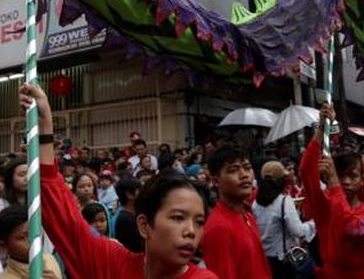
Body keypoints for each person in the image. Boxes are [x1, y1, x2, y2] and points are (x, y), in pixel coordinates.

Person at [19, 82, 218, 279]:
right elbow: (58, 209)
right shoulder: (110, 263)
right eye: (178, 218)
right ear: (144, 225)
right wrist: (45, 123)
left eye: (199, 222)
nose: (191, 231)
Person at [300, 104, 364, 279]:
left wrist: (333, 182)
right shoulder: (325, 204)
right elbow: (307, 171)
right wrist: (322, 128)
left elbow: (353, 229)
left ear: (362, 180)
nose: (345, 181)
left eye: (352, 176)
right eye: (340, 175)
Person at [201, 145, 272, 279]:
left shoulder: (247, 215)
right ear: (216, 181)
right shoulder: (219, 228)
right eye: (233, 170)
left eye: (247, 168)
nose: (244, 175)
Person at [252, 161, 315, 278]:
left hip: (265, 260)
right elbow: (298, 231)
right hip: (284, 261)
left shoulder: (256, 203)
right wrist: (312, 224)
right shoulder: (284, 201)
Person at [0, 206, 62, 279]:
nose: (33, 240)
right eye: (23, 237)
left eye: (36, 232)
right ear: (4, 245)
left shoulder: (49, 260)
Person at [112, 177, 144, 252]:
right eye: (140, 190)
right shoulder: (126, 220)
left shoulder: (133, 214)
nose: (143, 193)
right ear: (129, 194)